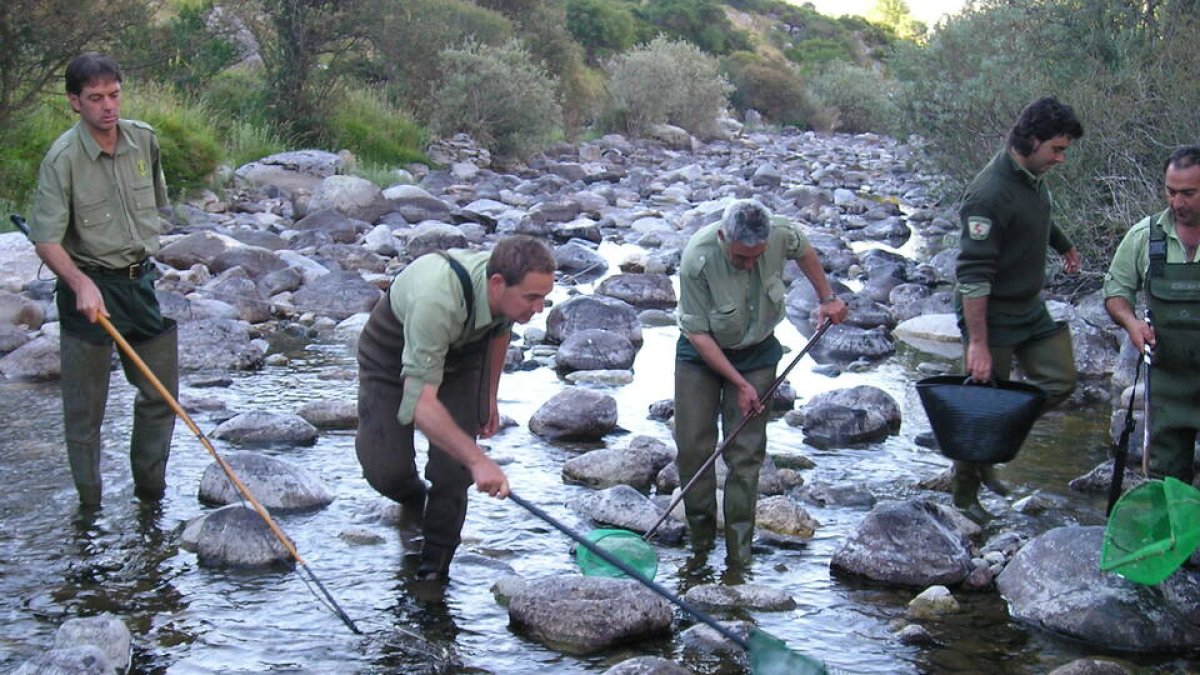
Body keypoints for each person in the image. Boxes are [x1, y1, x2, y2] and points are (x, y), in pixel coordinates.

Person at [355, 235, 555, 583]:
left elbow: (499, 332)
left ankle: (433, 576)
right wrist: (480, 460)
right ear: (497, 284)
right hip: (389, 355)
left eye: (544, 298)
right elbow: (421, 404)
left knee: (453, 472)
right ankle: (416, 503)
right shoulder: (438, 300)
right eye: (532, 298)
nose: (539, 309)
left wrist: (488, 398)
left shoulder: (505, 300)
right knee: (385, 471)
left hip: (464, 357)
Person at [26, 53, 178, 509]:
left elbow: (157, 203)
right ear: (74, 102)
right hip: (87, 290)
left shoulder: (143, 140)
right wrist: (78, 283)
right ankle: (88, 511)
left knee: (160, 395)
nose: (107, 106)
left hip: (138, 286)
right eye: (95, 98)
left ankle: (150, 498)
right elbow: (46, 240)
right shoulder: (62, 159)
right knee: (85, 414)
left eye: (114, 95)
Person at [673, 199, 847, 574]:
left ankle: (739, 557)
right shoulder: (696, 260)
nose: (750, 264)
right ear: (723, 237)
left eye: (758, 256)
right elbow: (698, 333)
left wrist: (827, 298)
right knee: (693, 449)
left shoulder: (781, 232)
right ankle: (700, 548)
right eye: (740, 258)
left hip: (758, 353)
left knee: (746, 455)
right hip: (701, 354)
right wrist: (737, 383)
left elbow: (805, 251)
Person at [953, 96, 1084, 521]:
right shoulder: (987, 194)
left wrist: (1063, 244)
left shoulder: (1031, 174)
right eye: (1056, 150)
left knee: (1060, 379)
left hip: (1029, 308)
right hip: (990, 315)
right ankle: (965, 498)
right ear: (1030, 140)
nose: (1060, 159)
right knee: (980, 405)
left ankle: (995, 443)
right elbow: (973, 275)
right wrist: (978, 343)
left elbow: (1036, 214)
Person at [1103, 145, 1200, 486]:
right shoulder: (1145, 237)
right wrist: (1131, 323)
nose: (1177, 203)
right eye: (1171, 192)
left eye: (1189, 193)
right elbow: (1116, 292)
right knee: (1165, 483)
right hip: (1167, 388)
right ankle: (1176, 540)